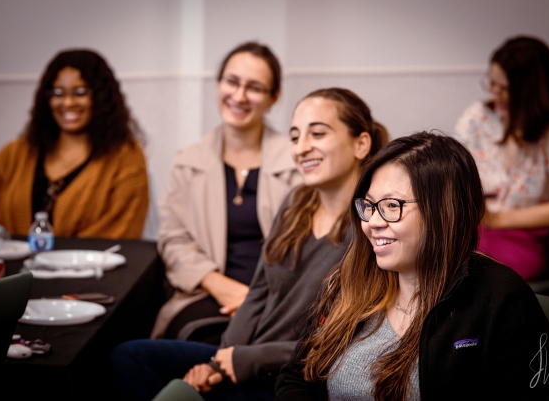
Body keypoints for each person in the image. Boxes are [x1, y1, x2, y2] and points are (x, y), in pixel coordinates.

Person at [112, 87, 384, 401]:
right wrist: (220, 360)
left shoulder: (369, 226)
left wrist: (246, 361)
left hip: (293, 375)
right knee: (129, 356)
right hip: (243, 357)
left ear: (361, 143)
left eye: (317, 134)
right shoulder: (296, 203)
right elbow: (258, 292)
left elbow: (342, 341)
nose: (302, 148)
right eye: (295, 137)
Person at [276, 132, 549, 400]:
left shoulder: (501, 298)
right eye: (370, 206)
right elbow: (296, 378)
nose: (372, 223)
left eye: (391, 206)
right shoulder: (352, 279)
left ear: (444, 211)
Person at [151, 42, 302, 339]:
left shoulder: (298, 162)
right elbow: (173, 240)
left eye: (255, 87)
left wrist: (257, 299)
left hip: (281, 298)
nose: (240, 96)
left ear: (274, 97)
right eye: (231, 82)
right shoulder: (188, 162)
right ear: (219, 84)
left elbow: (313, 247)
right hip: (207, 293)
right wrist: (221, 286)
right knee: (192, 340)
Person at [0, 49, 149, 239]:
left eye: (80, 92)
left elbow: (120, 232)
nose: (68, 102)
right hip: (11, 269)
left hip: (90, 268)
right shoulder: (13, 155)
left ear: (101, 97)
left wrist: (56, 262)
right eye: (58, 93)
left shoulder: (126, 159)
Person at [455, 36, 549, 281]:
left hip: (520, 234)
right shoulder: (478, 117)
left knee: (477, 277)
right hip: (470, 226)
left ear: (529, 92)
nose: (494, 93)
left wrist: (497, 219)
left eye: (505, 88)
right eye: (491, 83)